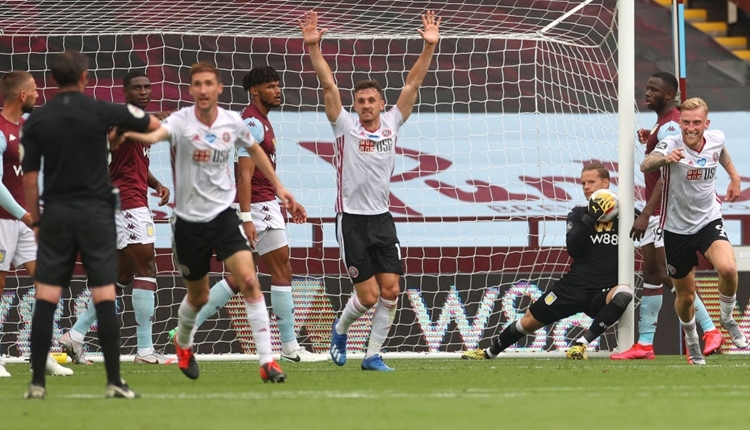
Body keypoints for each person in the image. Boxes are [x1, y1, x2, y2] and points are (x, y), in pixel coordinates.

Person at [121, 62, 301, 383]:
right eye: (197, 84)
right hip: (189, 224)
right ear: (191, 90)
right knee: (199, 297)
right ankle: (183, 342)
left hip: (223, 217)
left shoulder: (233, 121)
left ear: (218, 89)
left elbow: (255, 152)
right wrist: (131, 133)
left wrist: (280, 187)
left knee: (248, 280)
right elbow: (159, 133)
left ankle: (267, 361)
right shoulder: (179, 121)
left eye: (209, 84)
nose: (203, 90)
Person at [299, 10, 440, 371]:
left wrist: (429, 47)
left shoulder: (393, 122)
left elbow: (412, 85)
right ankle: (341, 329)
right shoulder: (344, 126)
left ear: (380, 103)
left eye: (371, 100)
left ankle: (373, 355)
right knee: (368, 296)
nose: (365, 106)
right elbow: (329, 85)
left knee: (391, 291)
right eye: (360, 101)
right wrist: (314, 47)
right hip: (352, 222)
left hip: (382, 219)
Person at [20, 50, 161, 399]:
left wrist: (36, 220)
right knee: (108, 288)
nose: (144, 92)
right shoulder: (103, 111)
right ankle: (121, 374)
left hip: (56, 214)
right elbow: (157, 129)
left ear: (52, 81)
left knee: (48, 295)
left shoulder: (37, 120)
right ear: (85, 77)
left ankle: (38, 383)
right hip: (100, 212)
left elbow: (31, 177)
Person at [166, 66, 326, 362]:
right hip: (260, 207)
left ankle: (184, 330)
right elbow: (244, 175)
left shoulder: (260, 120)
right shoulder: (252, 122)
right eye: (271, 86)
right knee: (282, 271)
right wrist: (247, 216)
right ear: (255, 91)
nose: (278, 90)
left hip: (264, 204)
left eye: (278, 85)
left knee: (241, 277)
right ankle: (289, 347)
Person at [462, 163, 633, 361]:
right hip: (573, 287)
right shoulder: (578, 214)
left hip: (602, 291)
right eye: (583, 183)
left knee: (624, 293)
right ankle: (489, 353)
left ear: (606, 182)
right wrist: (591, 217)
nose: (586, 187)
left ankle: (581, 345)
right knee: (527, 322)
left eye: (591, 182)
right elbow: (573, 249)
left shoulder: (627, 216)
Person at [59, 70, 173, 365]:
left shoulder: (134, 121)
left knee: (123, 276)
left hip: (129, 198)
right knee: (147, 268)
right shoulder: (124, 116)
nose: (144, 91)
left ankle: (75, 335)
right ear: (126, 91)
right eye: (137, 88)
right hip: (128, 203)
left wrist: (156, 183)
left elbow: (133, 161)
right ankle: (145, 351)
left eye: (148, 87)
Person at [612, 72, 722, 360]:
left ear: (670, 94)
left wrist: (645, 213)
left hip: (664, 212)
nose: (647, 93)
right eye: (647, 88)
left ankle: (710, 329)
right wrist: (651, 138)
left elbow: (668, 174)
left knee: (668, 274)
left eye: (654, 90)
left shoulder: (674, 125)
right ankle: (646, 343)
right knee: (651, 273)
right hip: (655, 210)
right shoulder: (665, 125)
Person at [640, 97, 749, 365]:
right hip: (676, 229)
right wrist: (665, 158)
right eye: (686, 122)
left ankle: (725, 318)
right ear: (679, 123)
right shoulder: (671, 144)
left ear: (706, 124)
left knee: (727, 268)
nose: (691, 128)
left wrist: (734, 176)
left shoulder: (715, 138)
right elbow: (646, 164)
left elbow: (721, 152)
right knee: (686, 297)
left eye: (696, 123)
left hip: (708, 221)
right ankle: (691, 339)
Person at [0, 71, 73, 378]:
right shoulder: (1, 130)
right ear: (21, 96)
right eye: (34, 90)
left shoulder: (28, 128)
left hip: (27, 221)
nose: (38, 94)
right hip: (4, 221)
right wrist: (24, 214)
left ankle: (40, 354)